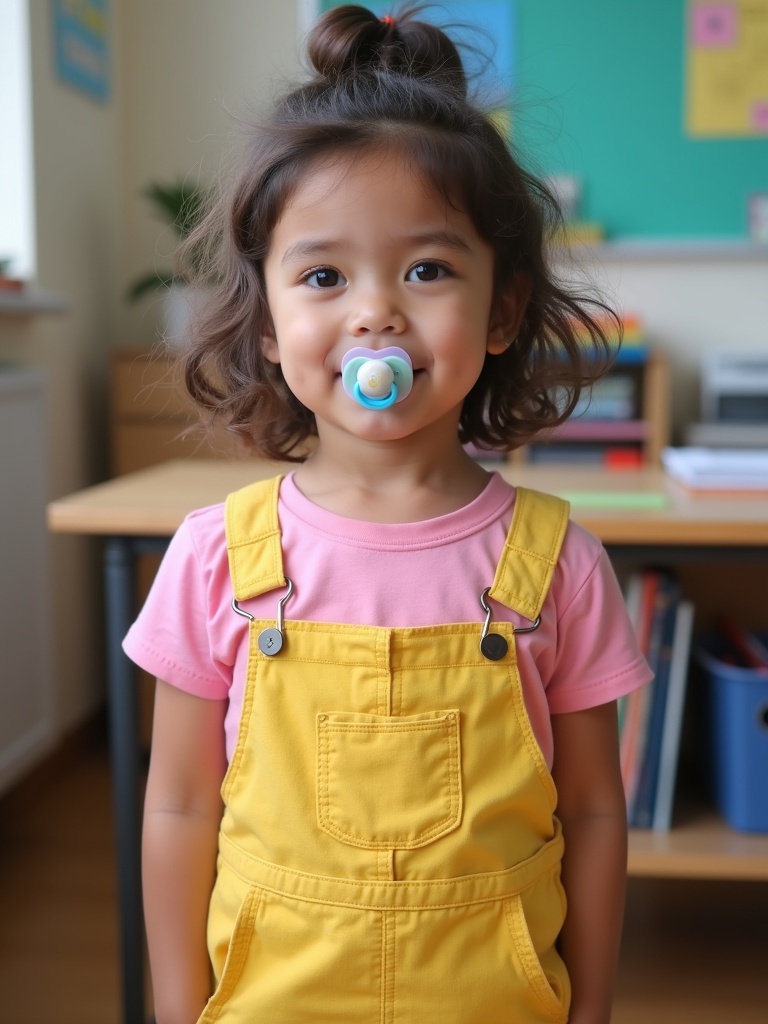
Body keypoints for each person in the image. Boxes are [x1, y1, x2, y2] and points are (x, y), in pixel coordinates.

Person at [125, 5, 652, 1023]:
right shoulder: (212, 559)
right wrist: (177, 1007)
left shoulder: (560, 563)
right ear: (270, 324)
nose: (376, 312)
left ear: (500, 311)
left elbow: (590, 808)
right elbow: (181, 804)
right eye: (324, 275)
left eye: (427, 269)